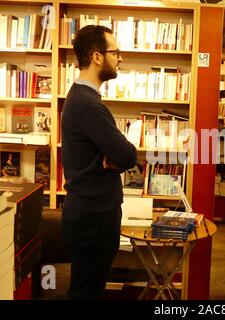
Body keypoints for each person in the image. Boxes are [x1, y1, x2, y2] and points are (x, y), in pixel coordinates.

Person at [61, 25, 137, 299]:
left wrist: (114, 156)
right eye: (115, 52)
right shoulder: (89, 105)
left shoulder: (83, 99)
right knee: (86, 292)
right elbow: (128, 156)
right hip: (94, 217)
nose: (120, 58)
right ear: (96, 57)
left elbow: (119, 155)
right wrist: (115, 157)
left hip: (90, 213)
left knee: (88, 288)